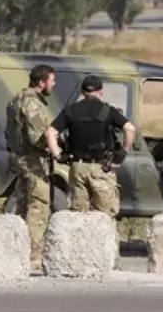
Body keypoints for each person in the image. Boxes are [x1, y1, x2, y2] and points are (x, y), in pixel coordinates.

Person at [3, 64, 64, 272]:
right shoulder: (31, 103)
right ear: (41, 81)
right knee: (39, 204)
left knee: (21, 205)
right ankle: (33, 256)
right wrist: (56, 144)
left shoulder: (17, 98)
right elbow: (38, 136)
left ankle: (16, 252)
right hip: (31, 160)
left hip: (19, 159)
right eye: (52, 81)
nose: (54, 85)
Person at [51, 74, 135, 217]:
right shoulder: (107, 110)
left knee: (77, 215)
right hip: (102, 168)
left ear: (82, 92)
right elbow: (130, 129)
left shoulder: (70, 110)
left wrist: (58, 155)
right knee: (104, 215)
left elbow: (50, 133)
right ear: (101, 92)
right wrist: (122, 153)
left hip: (78, 167)